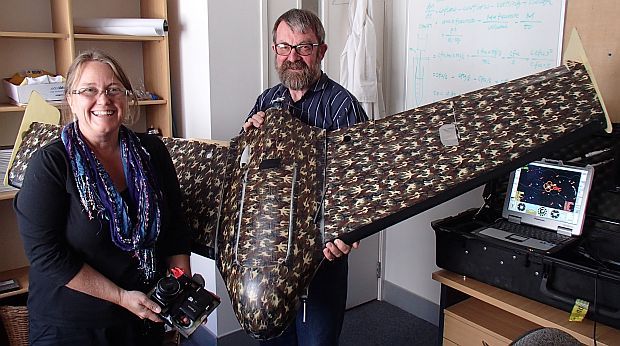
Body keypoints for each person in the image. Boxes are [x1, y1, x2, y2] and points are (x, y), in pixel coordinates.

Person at [14, 49, 192, 345]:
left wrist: (180, 283)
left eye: (113, 90)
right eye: (89, 91)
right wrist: (121, 297)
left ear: (126, 98)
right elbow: (46, 254)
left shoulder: (152, 152)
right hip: (72, 326)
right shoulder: (51, 164)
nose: (104, 100)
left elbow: (175, 227)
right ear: (70, 99)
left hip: (142, 317)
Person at [244, 9, 369, 346]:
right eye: (284, 47)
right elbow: (245, 177)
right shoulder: (267, 101)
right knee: (273, 339)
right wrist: (246, 138)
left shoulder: (342, 106)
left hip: (320, 257)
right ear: (275, 51)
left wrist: (346, 233)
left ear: (321, 52)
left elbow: (359, 183)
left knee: (317, 341)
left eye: (304, 47)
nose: (293, 57)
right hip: (270, 253)